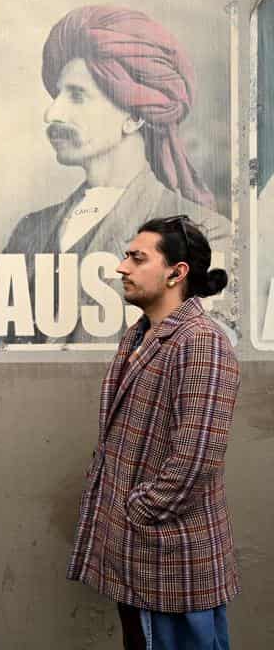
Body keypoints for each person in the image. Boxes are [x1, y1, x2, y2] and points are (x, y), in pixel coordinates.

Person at [0, 5, 231, 342]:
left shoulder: (207, 235)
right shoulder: (29, 231)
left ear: (133, 116)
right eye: (57, 94)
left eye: (77, 96)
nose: (52, 112)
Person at [67, 216, 239, 650]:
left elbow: (196, 459)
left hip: (173, 560)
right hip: (139, 557)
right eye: (126, 256)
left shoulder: (200, 341)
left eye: (137, 257)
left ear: (176, 272)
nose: (122, 267)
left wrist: (137, 511)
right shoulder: (142, 335)